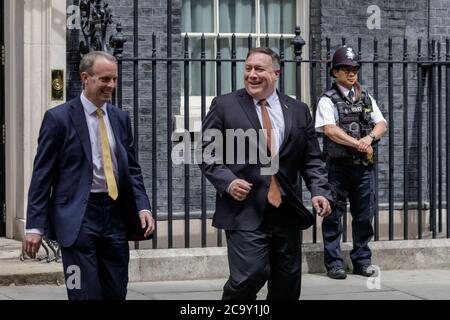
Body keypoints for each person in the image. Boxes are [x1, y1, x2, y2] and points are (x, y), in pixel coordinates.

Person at [199, 47, 332, 300]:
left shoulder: (298, 109)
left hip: (286, 211)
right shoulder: (225, 105)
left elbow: (312, 158)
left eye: (259, 69)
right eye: (248, 69)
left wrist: (319, 191)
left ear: (276, 73)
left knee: (287, 285)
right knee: (250, 275)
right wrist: (228, 182)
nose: (251, 75)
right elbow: (206, 152)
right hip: (244, 209)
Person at [23, 51, 155, 300]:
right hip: (77, 218)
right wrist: (34, 226)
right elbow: (42, 176)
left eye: (114, 79)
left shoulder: (120, 118)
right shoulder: (58, 119)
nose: (111, 86)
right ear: (86, 78)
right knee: (81, 291)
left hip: (115, 215)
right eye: (105, 79)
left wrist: (143, 208)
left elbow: (132, 170)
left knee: (116, 291)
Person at [315, 46, 387, 280]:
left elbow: (382, 124)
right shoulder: (327, 100)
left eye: (354, 68)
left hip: (364, 167)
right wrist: (356, 143)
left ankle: (362, 261)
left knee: (364, 216)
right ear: (335, 72)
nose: (351, 73)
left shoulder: (365, 96)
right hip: (338, 167)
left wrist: (369, 138)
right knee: (333, 215)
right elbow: (329, 130)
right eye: (345, 69)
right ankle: (334, 263)